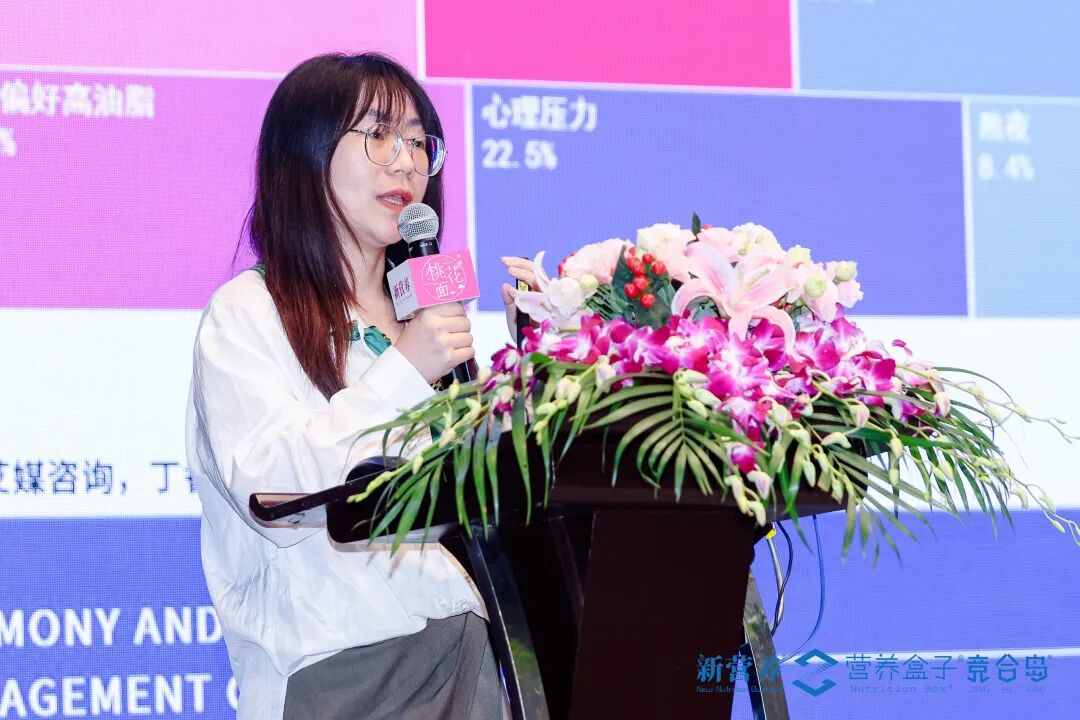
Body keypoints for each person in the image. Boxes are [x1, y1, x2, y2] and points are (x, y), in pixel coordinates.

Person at [185, 53, 532, 720]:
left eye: (418, 142)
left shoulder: (428, 321)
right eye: (378, 135)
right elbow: (268, 487)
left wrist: (534, 370)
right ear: (307, 153)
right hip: (339, 679)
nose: (407, 163)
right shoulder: (248, 311)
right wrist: (404, 369)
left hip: (466, 659)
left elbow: (480, 500)